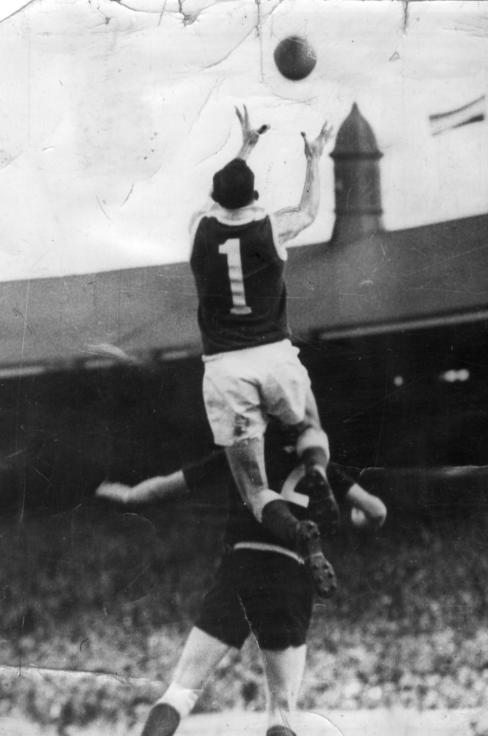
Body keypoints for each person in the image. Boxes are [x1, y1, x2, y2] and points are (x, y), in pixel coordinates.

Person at [90, 424, 387, 736]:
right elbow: (377, 511)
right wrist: (361, 520)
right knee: (281, 704)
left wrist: (128, 496)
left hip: (241, 566)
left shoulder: (240, 453)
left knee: (183, 686)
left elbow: (160, 490)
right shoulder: (319, 468)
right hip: (290, 576)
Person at [189, 105, 337, 595]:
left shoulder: (199, 228)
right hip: (275, 355)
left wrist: (245, 147)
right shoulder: (271, 228)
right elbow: (310, 211)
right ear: (255, 195)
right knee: (310, 426)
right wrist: (314, 158)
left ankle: (300, 535)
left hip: (226, 368)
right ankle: (316, 471)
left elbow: (220, 196)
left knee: (254, 490)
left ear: (215, 197)